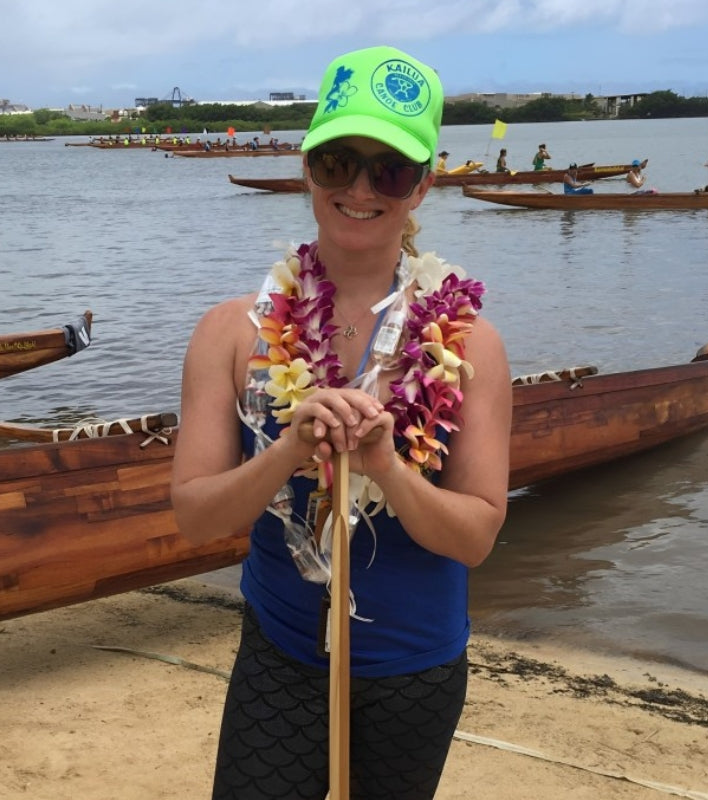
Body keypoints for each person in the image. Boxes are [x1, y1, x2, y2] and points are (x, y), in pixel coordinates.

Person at [171, 44, 511, 800]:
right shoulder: (232, 333)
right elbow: (195, 517)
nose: (359, 188)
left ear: (422, 185)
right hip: (283, 656)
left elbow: (478, 536)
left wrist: (389, 465)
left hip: (415, 666)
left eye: (388, 169)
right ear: (307, 168)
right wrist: (287, 450)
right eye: (336, 163)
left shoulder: (470, 345)